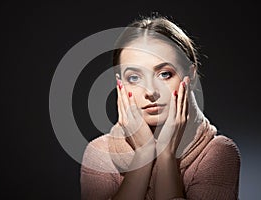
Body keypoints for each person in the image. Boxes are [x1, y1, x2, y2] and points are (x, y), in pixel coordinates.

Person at [80, 14, 241, 200]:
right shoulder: (100, 154)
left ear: (191, 75)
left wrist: (166, 157)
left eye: (164, 74)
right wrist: (143, 155)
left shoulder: (218, 153)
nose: (150, 91)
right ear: (120, 85)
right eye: (134, 77)